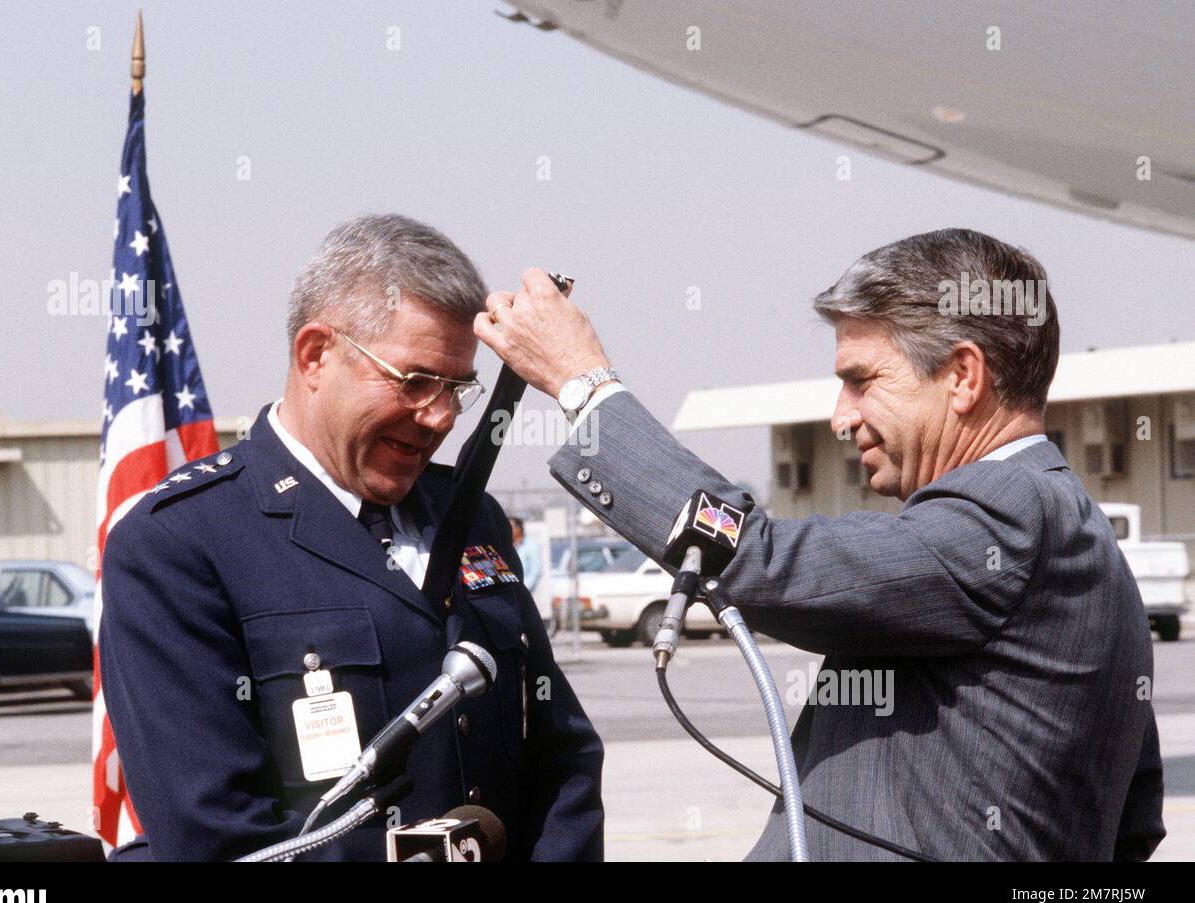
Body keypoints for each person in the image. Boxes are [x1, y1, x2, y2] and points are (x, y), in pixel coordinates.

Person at [473, 228, 1164, 861]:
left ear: (963, 376)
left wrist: (583, 386)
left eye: (861, 380)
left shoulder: (1008, 510)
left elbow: (763, 561)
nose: (842, 417)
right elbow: (1133, 823)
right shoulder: (1081, 534)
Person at [99, 213, 604, 861]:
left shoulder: (469, 515)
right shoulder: (182, 544)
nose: (441, 417)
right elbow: (215, 833)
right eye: (415, 381)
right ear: (315, 355)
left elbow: (561, 754)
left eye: (457, 389)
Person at [509, 516, 541, 593]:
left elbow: (535, 571)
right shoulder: (507, 546)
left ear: (518, 529)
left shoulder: (530, 546)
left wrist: (523, 589)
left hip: (524, 591)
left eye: (510, 527)